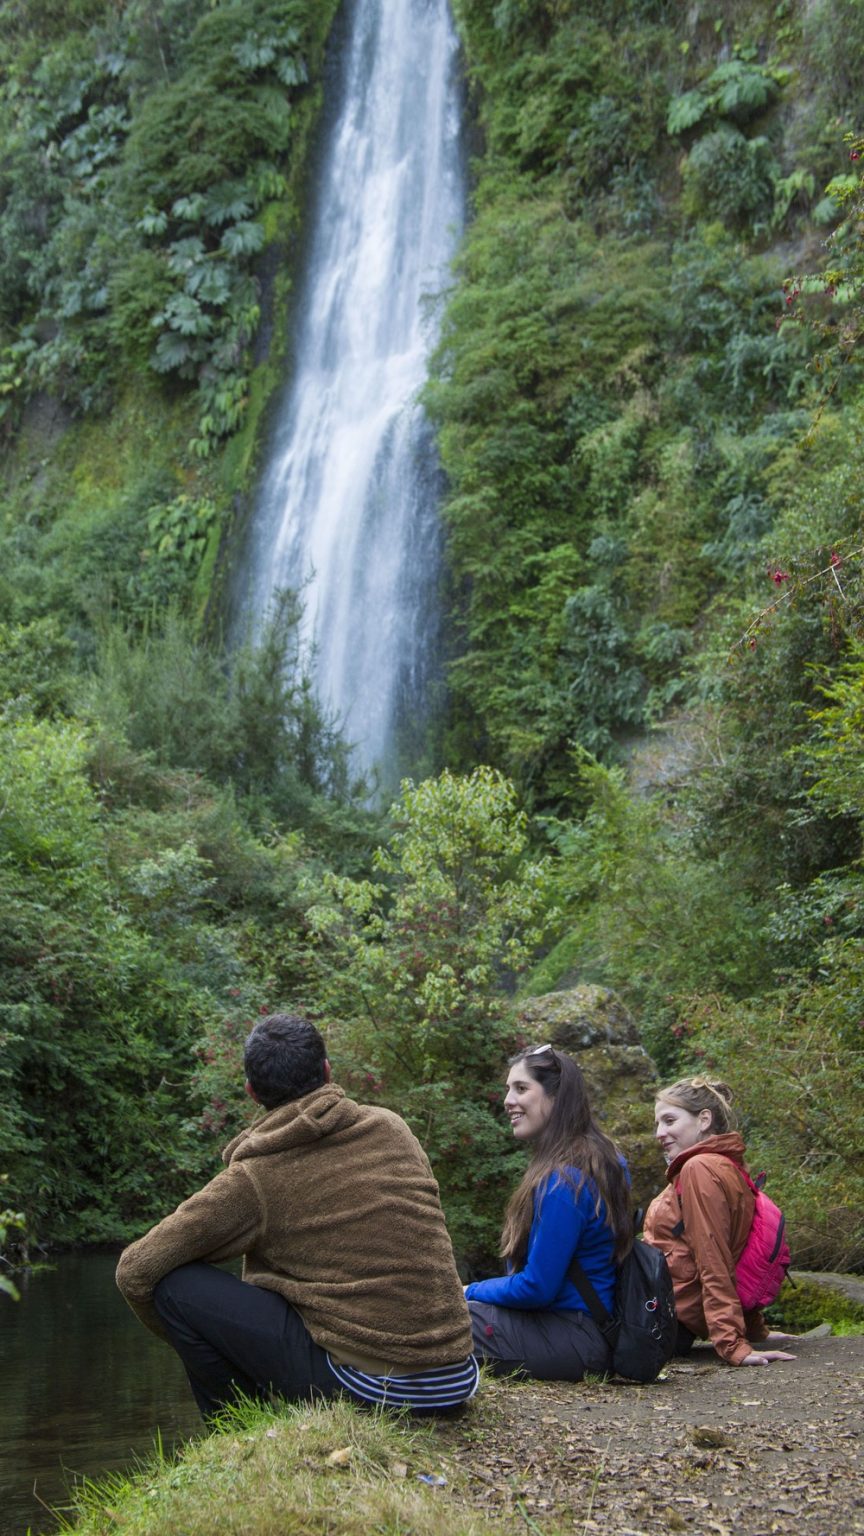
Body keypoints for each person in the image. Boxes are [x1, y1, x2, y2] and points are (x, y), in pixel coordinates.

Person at [116, 1013, 478, 1418]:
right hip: (456, 1375)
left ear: (252, 1092)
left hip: (376, 1390)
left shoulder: (254, 1177)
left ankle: (237, 1427)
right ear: (327, 1070)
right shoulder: (392, 1128)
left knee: (175, 1286)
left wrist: (206, 1341)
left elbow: (135, 1270)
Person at [464, 1043, 633, 1380]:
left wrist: (468, 1291)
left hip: (571, 1337)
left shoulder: (563, 1181)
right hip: (595, 1330)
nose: (508, 1100)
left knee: (439, 1319)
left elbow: (536, 1288)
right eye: (508, 1089)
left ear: (557, 1097)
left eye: (521, 1088)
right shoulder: (606, 1159)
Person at [643, 1076, 796, 1368]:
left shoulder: (699, 1168)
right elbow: (738, 1248)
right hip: (672, 1315)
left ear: (704, 1120)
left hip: (664, 1319)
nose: (659, 1133)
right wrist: (754, 1330)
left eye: (670, 1120)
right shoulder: (725, 1164)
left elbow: (713, 1256)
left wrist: (732, 1345)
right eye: (658, 1123)